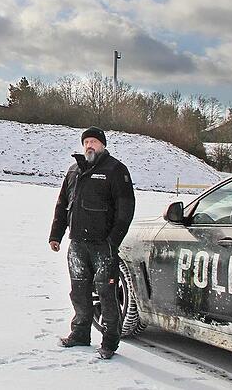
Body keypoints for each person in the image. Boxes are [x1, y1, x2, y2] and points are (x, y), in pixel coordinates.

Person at [48, 126, 135, 360]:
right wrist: (56, 235)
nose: (90, 145)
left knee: (107, 294)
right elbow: (62, 204)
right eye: (86, 142)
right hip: (77, 243)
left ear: (103, 145)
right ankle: (79, 334)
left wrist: (113, 241)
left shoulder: (116, 170)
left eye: (94, 142)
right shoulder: (74, 170)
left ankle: (109, 342)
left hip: (103, 245)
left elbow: (125, 210)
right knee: (79, 291)